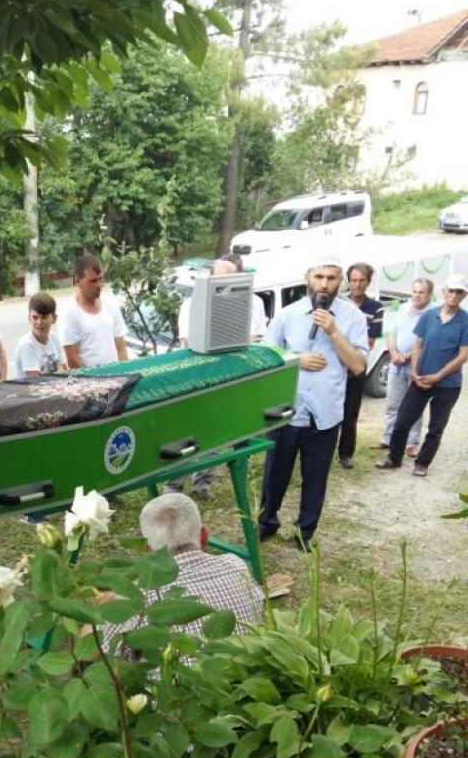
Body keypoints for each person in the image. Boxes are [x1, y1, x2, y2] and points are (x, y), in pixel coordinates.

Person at [259, 256, 368, 550]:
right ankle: (266, 522)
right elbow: (266, 357)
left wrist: (333, 331)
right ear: (307, 277)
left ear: (340, 282)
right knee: (275, 474)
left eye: (332, 278)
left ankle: (304, 532)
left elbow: (358, 367)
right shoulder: (288, 314)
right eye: (319, 276)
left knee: (315, 477)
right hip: (287, 410)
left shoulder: (353, 318)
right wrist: (295, 360)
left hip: (325, 413)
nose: (324, 283)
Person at [102, 493, 263, 651]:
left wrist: (100, 609)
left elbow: (98, 651)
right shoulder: (236, 565)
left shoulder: (136, 598)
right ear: (204, 536)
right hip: (247, 671)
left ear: (149, 550)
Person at [168, 254, 267, 500]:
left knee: (216, 430)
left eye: (231, 278)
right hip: (196, 377)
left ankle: (203, 482)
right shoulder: (192, 304)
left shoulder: (253, 303)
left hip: (231, 377)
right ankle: (174, 485)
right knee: (186, 432)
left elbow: (255, 338)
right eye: (219, 279)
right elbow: (189, 341)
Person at [376, 274, 468, 479]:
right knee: (402, 420)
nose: (454, 295)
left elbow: (463, 355)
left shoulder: (465, 321)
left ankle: (422, 463)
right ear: (444, 292)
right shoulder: (429, 315)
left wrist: (438, 376)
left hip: (448, 384)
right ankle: (394, 457)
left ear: (464, 295)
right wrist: (416, 373)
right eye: (451, 290)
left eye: (459, 292)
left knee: (436, 426)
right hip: (421, 379)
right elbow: (418, 345)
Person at [373, 279, 433, 456]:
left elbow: (427, 341)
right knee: (392, 404)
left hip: (416, 367)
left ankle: (411, 442)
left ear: (429, 294)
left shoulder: (432, 313)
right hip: (396, 365)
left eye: (421, 292)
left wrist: (406, 356)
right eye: (414, 291)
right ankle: (387, 438)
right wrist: (393, 353)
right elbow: (393, 333)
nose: (417, 295)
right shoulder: (404, 308)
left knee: (414, 406)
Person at [337, 262, 383, 469]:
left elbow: (369, 342)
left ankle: (346, 454)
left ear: (368, 282)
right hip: (335, 367)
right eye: (353, 280)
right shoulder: (337, 303)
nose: (357, 284)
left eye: (361, 280)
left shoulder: (375, 308)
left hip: (355, 369)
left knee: (350, 414)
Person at [59, 253, 128, 368]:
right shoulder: (69, 313)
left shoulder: (110, 304)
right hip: (89, 382)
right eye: (92, 281)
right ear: (77, 281)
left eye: (100, 279)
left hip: (118, 378)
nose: (99, 285)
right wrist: (95, 382)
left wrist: (124, 374)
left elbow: (121, 348)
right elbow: (72, 359)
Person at [14, 292, 66, 377]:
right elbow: (35, 380)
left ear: (54, 318)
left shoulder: (54, 339)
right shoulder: (27, 344)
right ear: (29, 318)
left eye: (44, 317)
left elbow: (63, 369)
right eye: (35, 317)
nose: (39, 322)